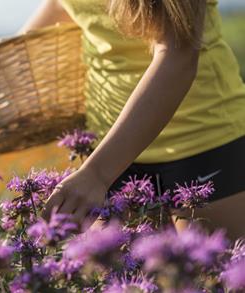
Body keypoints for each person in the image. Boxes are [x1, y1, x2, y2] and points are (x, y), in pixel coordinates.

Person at [20, 0, 245, 240]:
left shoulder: (98, 173)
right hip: (112, 150)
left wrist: (96, 175)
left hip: (203, 142)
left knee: (217, 274)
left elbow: (179, 54)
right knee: (121, 275)